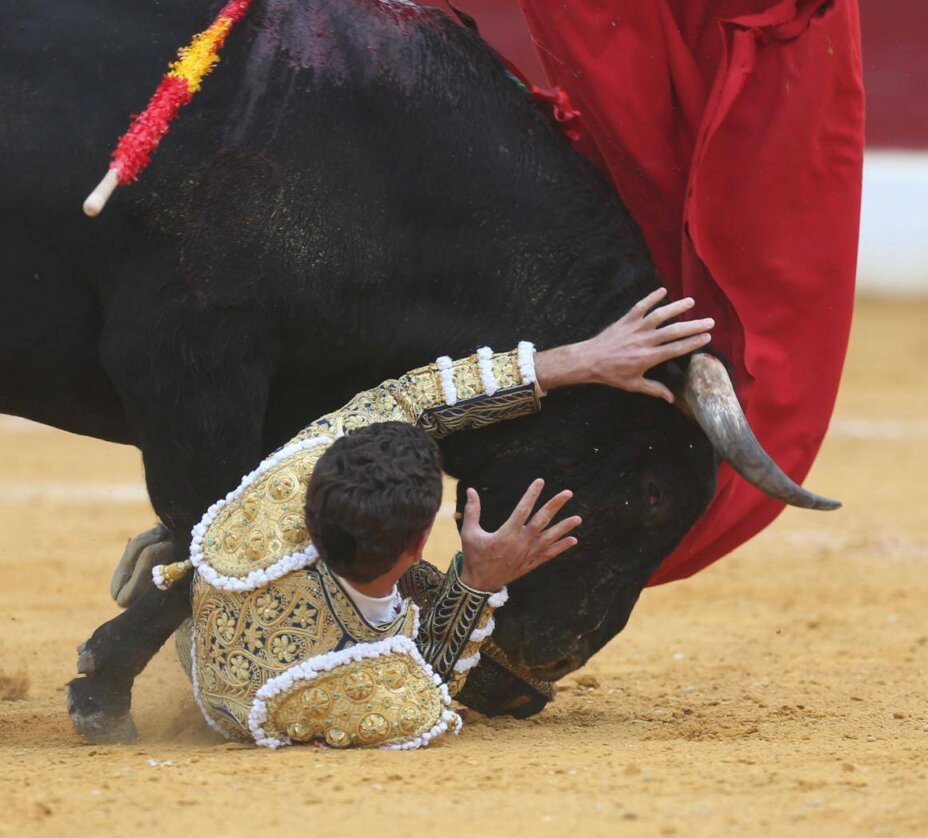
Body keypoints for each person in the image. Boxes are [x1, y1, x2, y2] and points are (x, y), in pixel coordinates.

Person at [151, 287, 713, 748]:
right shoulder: (370, 691)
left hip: (219, 602)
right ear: (419, 546)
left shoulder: (297, 471)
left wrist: (583, 359)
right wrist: (477, 583)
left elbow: (407, 400)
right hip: (274, 693)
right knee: (497, 680)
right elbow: (423, 693)